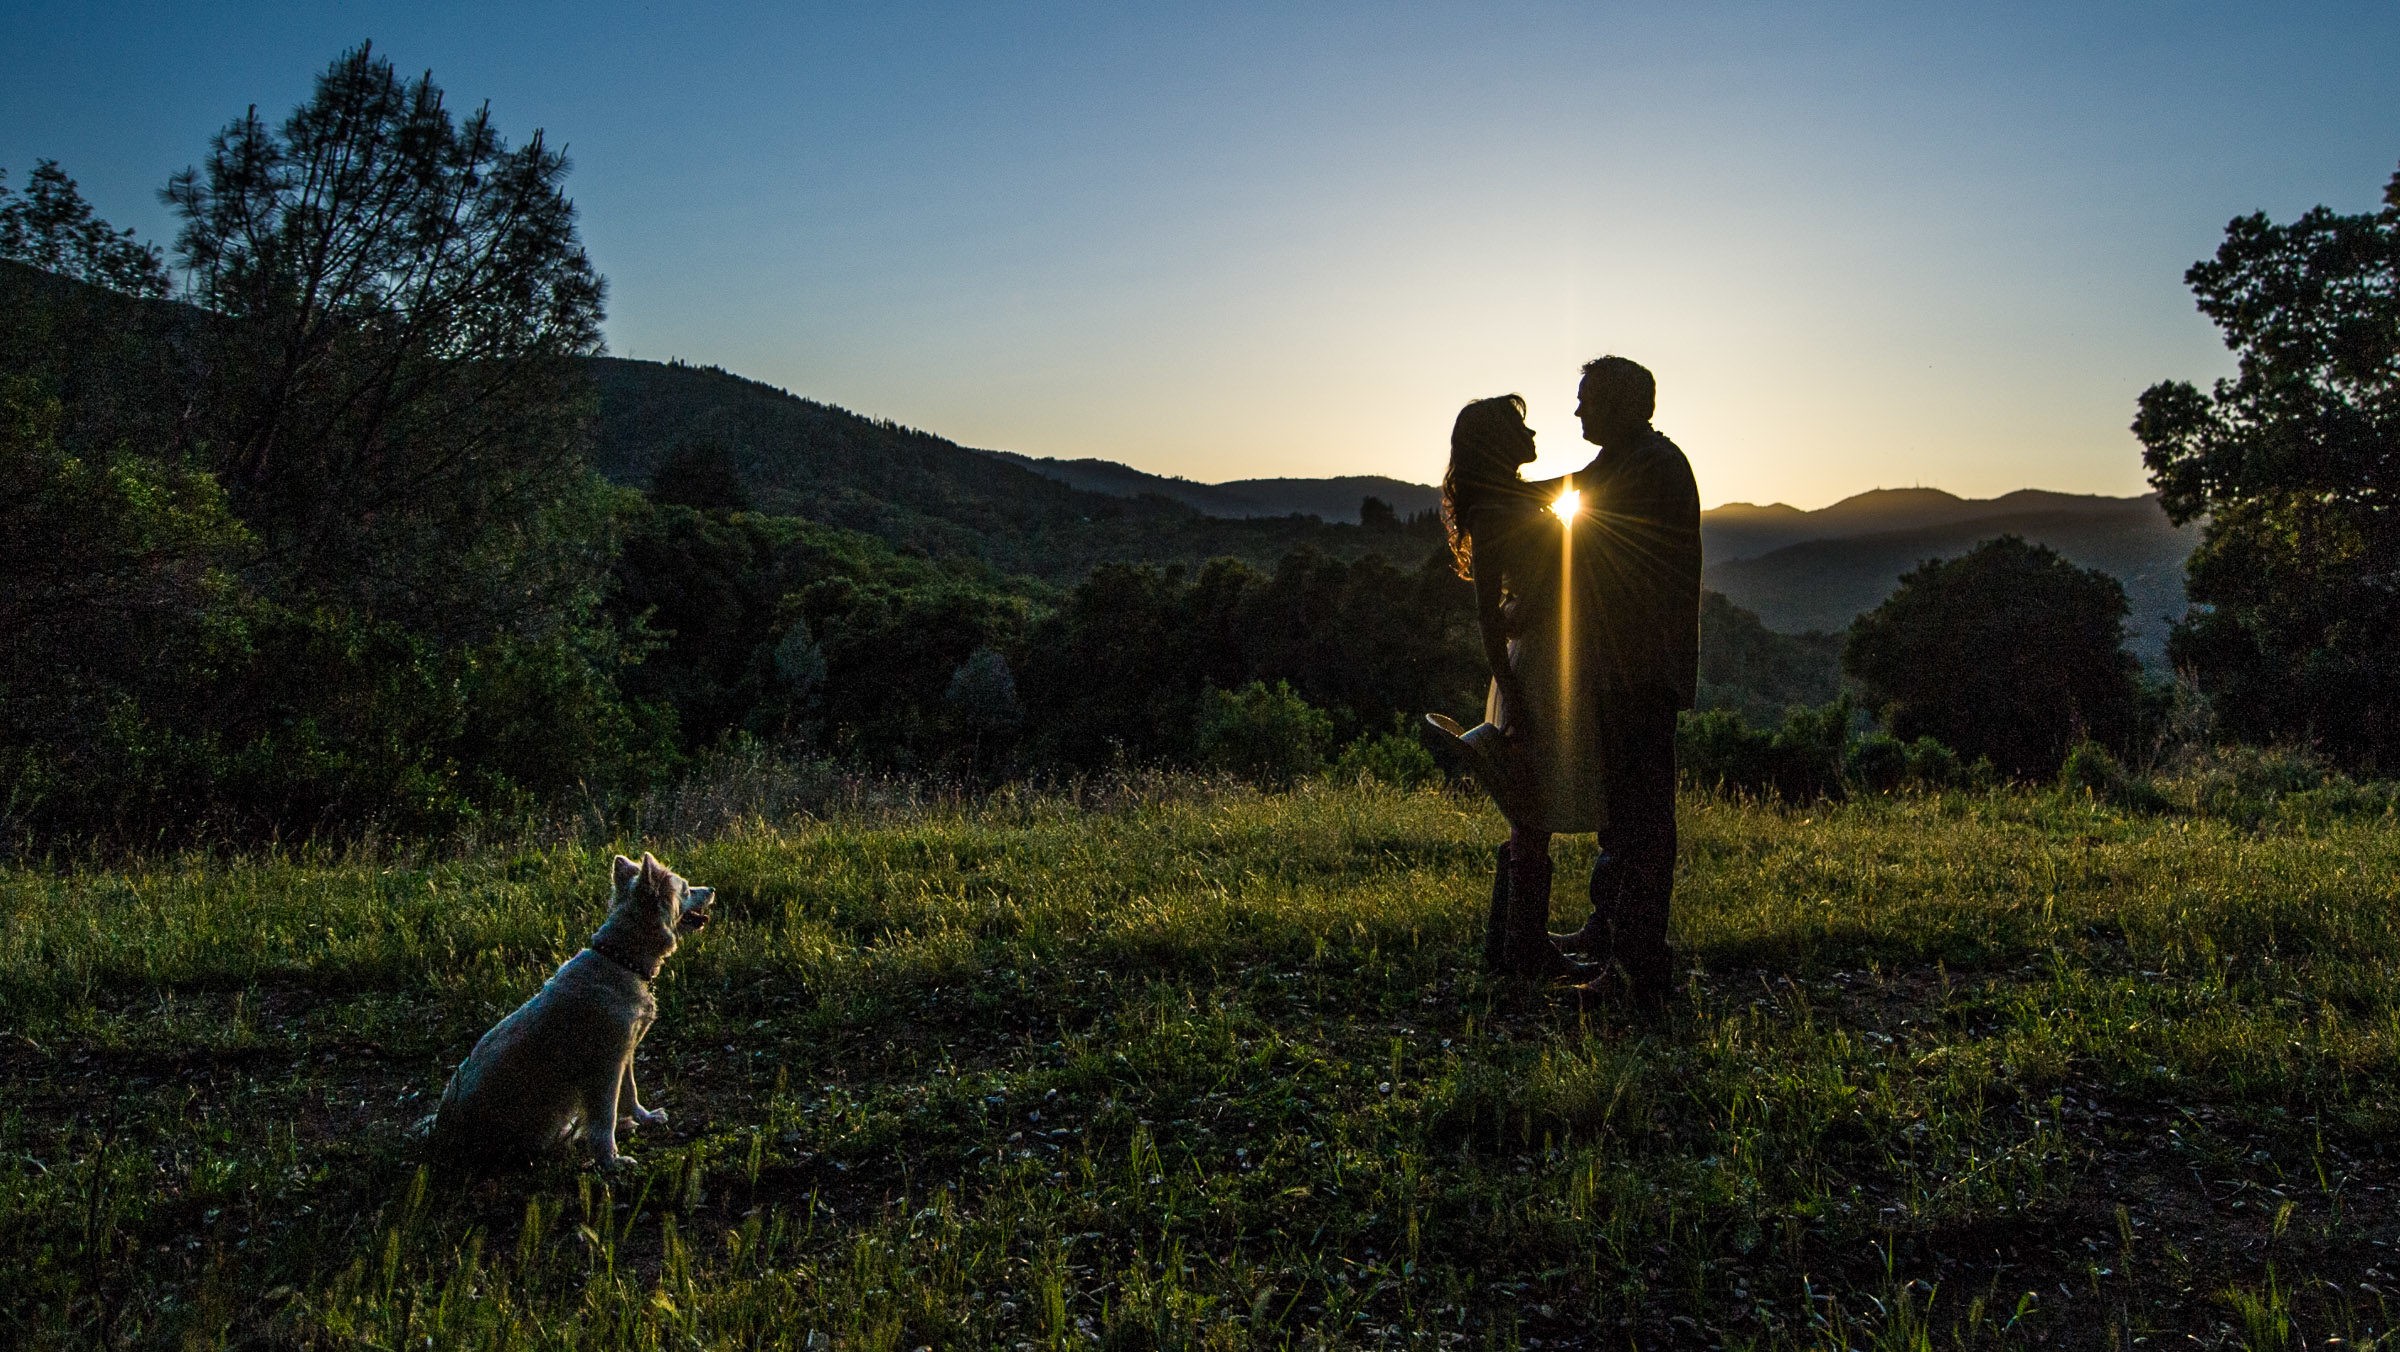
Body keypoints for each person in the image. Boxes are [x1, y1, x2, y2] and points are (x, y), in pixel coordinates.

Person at [1432, 395, 1606, 981]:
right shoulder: (1496, 511)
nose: (1532, 431)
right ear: (1496, 444)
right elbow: (1486, 617)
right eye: (1518, 425)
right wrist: (1515, 692)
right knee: (1531, 804)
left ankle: (1511, 945)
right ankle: (1523, 948)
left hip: (1550, 659)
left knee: (1534, 801)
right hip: (1534, 670)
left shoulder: (1511, 500)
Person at [1553, 356, 1702, 1010]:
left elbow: (1579, 524)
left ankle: (1639, 968)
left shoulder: (1651, 469)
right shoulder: (1628, 461)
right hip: (1623, 667)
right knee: (1623, 815)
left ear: (1619, 404)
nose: (1578, 411)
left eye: (1587, 400)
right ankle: (1607, 929)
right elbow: (1568, 487)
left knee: (1641, 822)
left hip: (1642, 670)